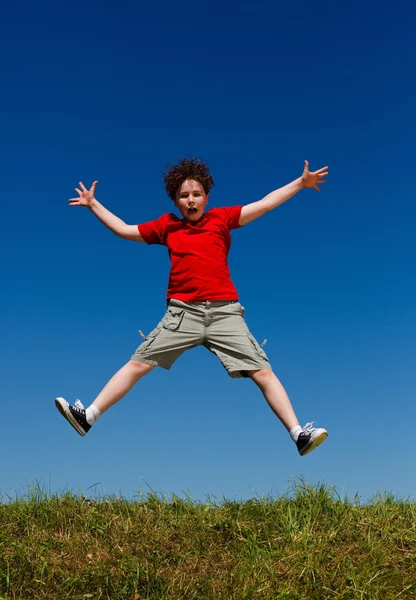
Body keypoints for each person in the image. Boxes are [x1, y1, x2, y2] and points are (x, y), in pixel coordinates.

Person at [55, 158, 328, 456]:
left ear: (206, 197)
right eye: (184, 196)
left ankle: (298, 434)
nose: (191, 200)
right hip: (182, 312)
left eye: (196, 194)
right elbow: (123, 229)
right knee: (138, 364)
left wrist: (300, 184)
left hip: (225, 313)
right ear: (175, 201)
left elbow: (264, 204)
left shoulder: (221, 219)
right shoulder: (167, 227)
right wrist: (94, 205)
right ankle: (88, 417)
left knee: (262, 371)